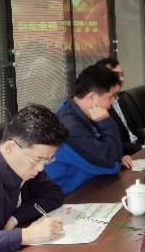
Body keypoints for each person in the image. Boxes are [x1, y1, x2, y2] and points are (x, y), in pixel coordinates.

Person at [0, 104, 68, 252]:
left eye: (47, 160)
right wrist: (26, 235)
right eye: (37, 159)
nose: (41, 168)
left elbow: (54, 194)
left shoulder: (24, 163)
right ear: (10, 148)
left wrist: (15, 218)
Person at [45, 65, 125, 194]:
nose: (113, 102)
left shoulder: (72, 110)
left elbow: (107, 155)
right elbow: (112, 165)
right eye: (110, 97)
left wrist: (118, 158)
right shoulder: (70, 128)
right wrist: (106, 123)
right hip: (67, 197)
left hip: (88, 185)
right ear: (92, 97)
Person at [95, 57, 145, 161]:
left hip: (139, 148)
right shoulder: (98, 107)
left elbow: (136, 127)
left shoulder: (122, 98)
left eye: (122, 75)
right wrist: (142, 148)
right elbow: (111, 143)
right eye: (116, 76)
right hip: (126, 156)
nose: (121, 79)